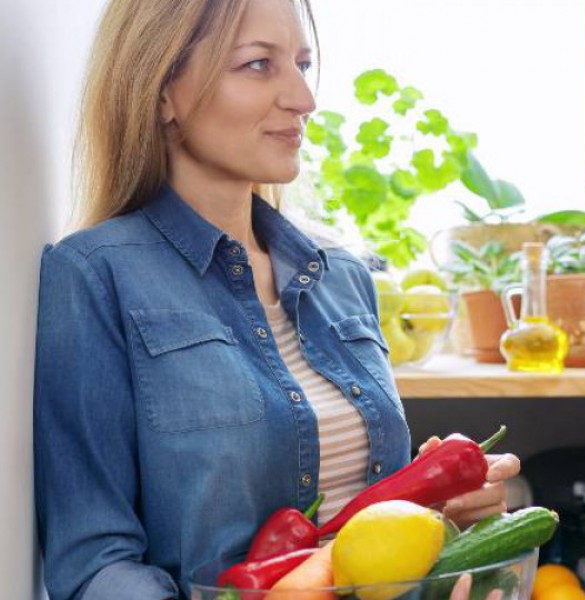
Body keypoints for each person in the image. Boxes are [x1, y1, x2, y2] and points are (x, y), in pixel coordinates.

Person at [33, 0, 521, 598]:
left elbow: (374, 537)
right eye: (259, 65)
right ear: (162, 90)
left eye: (303, 64)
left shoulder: (343, 277)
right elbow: (93, 566)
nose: (303, 99)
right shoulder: (94, 276)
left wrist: (448, 516)